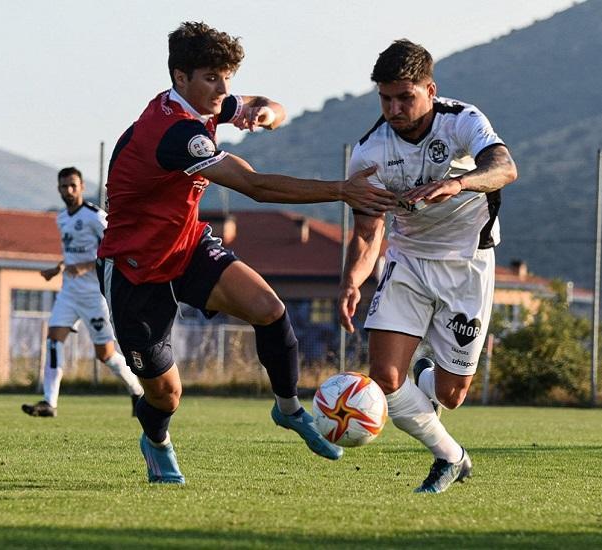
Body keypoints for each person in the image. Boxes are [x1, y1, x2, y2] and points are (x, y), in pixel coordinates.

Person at [97, 22, 396, 484]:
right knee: (166, 397)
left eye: (227, 76)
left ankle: (289, 409)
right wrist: (342, 190)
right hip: (136, 269)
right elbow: (254, 186)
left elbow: (267, 106)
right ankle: (156, 441)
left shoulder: (204, 104)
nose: (223, 89)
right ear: (181, 78)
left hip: (188, 245)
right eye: (211, 78)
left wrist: (266, 115)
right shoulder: (176, 134)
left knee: (271, 310)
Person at [338, 39, 518, 493]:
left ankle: (426, 374)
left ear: (430, 90)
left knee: (451, 395)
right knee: (384, 377)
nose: (395, 108)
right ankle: (450, 457)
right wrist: (352, 281)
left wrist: (457, 184)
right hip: (408, 261)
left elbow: (504, 167)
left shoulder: (463, 120)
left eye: (406, 96)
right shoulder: (369, 153)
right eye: (386, 98)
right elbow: (366, 229)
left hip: (467, 263)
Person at [22, 167, 145, 418]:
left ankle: (136, 390)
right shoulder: (61, 219)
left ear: (81, 187)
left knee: (106, 356)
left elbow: (115, 249)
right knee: (53, 341)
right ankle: (49, 402)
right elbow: (72, 255)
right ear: (58, 189)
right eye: (63, 186)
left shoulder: (95, 217)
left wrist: (87, 266)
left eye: (72, 185)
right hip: (68, 294)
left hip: (94, 295)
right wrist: (59, 268)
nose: (68, 190)